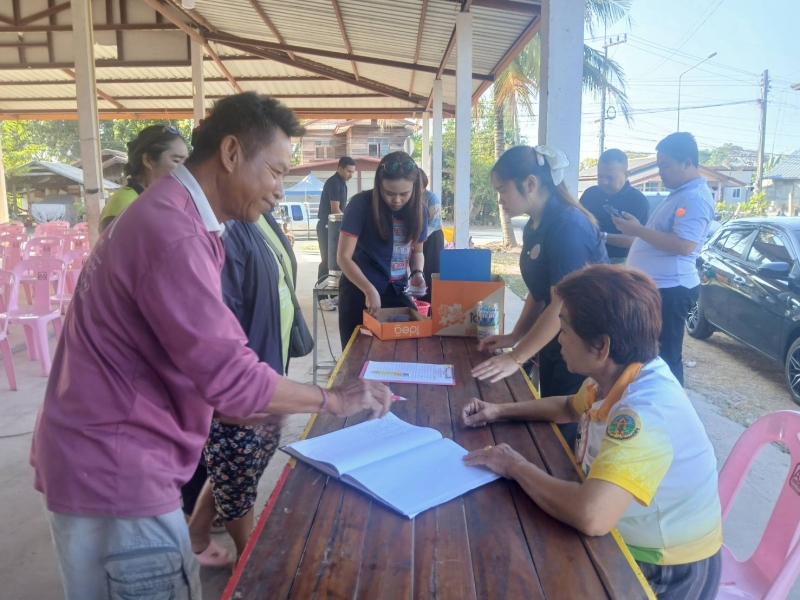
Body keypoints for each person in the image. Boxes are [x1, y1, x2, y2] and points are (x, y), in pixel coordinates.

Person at [29, 92, 393, 600]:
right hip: (119, 472)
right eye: (275, 171)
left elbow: (191, 361)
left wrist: (245, 403)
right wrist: (334, 399)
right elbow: (231, 378)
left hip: (96, 459)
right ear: (230, 153)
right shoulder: (174, 232)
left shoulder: (174, 215)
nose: (279, 190)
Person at [462, 265, 722, 600]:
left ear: (601, 345)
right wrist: (497, 411)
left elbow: (592, 515)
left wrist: (513, 465)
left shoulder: (645, 413)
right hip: (622, 533)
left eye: (565, 329)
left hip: (664, 569)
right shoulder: (621, 372)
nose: (559, 339)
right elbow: (568, 407)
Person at [470, 145, 608, 445]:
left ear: (530, 183)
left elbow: (562, 301)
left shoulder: (568, 226)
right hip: (559, 339)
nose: (500, 199)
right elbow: (539, 292)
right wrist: (514, 337)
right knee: (550, 420)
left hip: (587, 344)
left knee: (569, 430)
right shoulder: (535, 226)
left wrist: (517, 357)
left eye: (502, 190)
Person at [187, 209, 296, 564]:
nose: (279, 189)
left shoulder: (259, 215)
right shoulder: (226, 229)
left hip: (266, 367)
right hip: (241, 384)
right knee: (237, 469)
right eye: (273, 178)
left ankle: (198, 531)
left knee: (238, 464)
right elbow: (219, 327)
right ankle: (248, 561)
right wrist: (330, 400)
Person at [614, 132, 714, 386]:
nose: (661, 173)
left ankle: (670, 406)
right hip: (660, 287)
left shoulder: (694, 198)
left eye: (666, 166)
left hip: (671, 289)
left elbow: (684, 245)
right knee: (650, 353)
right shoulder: (682, 193)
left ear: (687, 162)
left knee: (665, 356)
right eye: (659, 166)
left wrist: (638, 230)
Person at [337, 151, 427, 347]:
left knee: (410, 348)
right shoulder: (360, 205)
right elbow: (343, 257)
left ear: (414, 188)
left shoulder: (420, 211)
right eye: (390, 193)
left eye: (404, 194)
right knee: (358, 353)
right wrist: (368, 289)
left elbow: (418, 251)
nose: (397, 200)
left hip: (397, 291)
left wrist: (417, 273)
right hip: (359, 291)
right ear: (379, 185)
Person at [99, 124, 189, 232]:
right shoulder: (125, 204)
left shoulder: (154, 199)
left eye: (185, 162)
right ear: (148, 160)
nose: (185, 169)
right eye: (176, 161)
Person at [579, 149, 649, 263]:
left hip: (620, 261)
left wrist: (602, 236)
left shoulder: (638, 201)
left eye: (610, 178)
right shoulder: (589, 194)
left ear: (626, 175)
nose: (604, 182)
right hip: (588, 257)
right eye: (600, 176)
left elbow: (636, 240)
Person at [317, 156, 356, 310]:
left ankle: (334, 295)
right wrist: (349, 223)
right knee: (327, 261)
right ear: (340, 168)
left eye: (352, 172)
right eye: (348, 171)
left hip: (336, 227)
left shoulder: (342, 183)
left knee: (338, 261)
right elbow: (335, 209)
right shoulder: (334, 183)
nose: (350, 175)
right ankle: (321, 299)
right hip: (328, 227)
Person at [420, 169, 443, 302]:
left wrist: (420, 238)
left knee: (432, 268)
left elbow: (434, 222)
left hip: (433, 237)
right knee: (420, 269)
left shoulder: (431, 197)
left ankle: (432, 301)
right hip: (418, 238)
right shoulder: (409, 197)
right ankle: (421, 300)